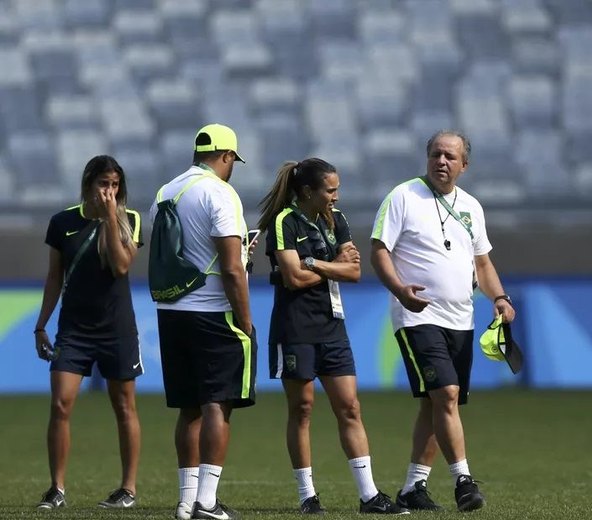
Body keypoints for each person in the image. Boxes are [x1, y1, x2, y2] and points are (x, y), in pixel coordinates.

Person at [370, 131, 516, 512]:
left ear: (464, 165)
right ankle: (463, 482)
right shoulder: (403, 196)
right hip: (417, 315)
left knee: (436, 405)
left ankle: (413, 488)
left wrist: (499, 297)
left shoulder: (472, 207)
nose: (442, 161)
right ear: (427, 157)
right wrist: (401, 290)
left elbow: (481, 262)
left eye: (451, 156)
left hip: (461, 320)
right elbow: (379, 251)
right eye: (436, 154)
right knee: (446, 395)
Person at [257, 158, 407, 515]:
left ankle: (369, 495)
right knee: (302, 409)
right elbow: (292, 279)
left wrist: (313, 264)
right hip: (294, 328)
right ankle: (308, 495)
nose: (336, 196)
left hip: (332, 326)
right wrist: (329, 267)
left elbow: (354, 271)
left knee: (350, 407)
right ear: (308, 191)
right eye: (331, 190)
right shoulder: (285, 222)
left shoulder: (336, 220)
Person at [150, 123, 256, 520]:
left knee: (189, 407)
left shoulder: (166, 191)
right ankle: (207, 503)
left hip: (171, 312)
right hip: (213, 311)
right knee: (217, 405)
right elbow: (231, 268)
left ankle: (185, 501)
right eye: (233, 161)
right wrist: (245, 318)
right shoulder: (220, 193)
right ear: (226, 156)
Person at [33, 155, 143, 510]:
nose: (108, 192)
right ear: (88, 184)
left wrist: (111, 217)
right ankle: (57, 488)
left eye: (114, 186)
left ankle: (127, 488)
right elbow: (54, 277)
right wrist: (40, 324)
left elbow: (121, 265)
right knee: (60, 403)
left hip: (117, 329)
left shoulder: (130, 220)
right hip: (74, 330)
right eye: (102, 184)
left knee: (124, 406)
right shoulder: (62, 222)